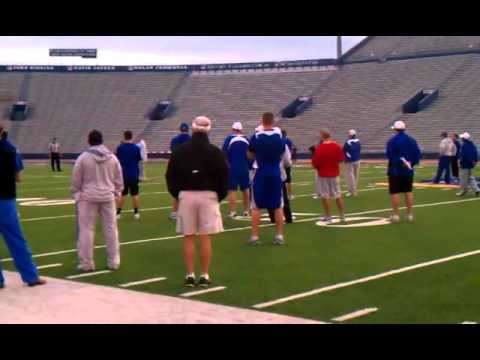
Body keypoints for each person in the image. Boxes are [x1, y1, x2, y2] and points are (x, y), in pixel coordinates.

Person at [166, 116, 228, 287]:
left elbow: (170, 175)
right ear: (209, 129)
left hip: (186, 195)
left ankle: (190, 274)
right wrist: (219, 195)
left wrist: (177, 194)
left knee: (189, 237)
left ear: (193, 129)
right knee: (205, 237)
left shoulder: (180, 151)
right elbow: (224, 176)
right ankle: (205, 274)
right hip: (208, 195)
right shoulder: (215, 152)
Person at [0, 122, 46, 288]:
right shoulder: (12, 150)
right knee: (17, 240)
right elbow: (18, 177)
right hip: (6, 200)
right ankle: (31, 276)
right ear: (3, 131)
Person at [71, 130, 124, 271]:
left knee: (86, 230)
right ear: (102, 140)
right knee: (111, 229)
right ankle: (113, 262)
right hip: (107, 196)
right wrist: (116, 191)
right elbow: (119, 180)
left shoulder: (83, 158)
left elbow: (76, 180)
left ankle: (87, 263)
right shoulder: (112, 158)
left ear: (89, 141)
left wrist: (77, 194)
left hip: (88, 197)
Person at [248, 112, 286, 245]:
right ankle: (279, 236)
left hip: (260, 173)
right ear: (273, 121)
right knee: (278, 205)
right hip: (275, 172)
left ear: (262, 121)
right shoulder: (279, 137)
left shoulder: (256, 136)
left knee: (256, 206)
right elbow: (282, 152)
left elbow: (250, 155)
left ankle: (254, 237)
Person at [386, 120, 421, 222]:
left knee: (395, 192)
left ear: (396, 130)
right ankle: (409, 215)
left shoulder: (392, 141)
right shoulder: (412, 140)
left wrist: (399, 162)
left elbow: (390, 156)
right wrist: (411, 163)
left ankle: (396, 215)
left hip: (395, 171)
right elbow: (417, 155)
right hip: (408, 171)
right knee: (408, 192)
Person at [312, 129, 346, 223]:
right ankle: (342, 215)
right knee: (338, 194)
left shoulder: (320, 148)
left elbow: (315, 163)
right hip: (334, 173)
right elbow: (341, 159)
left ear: (322, 137)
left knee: (325, 195)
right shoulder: (337, 146)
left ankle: (328, 216)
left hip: (323, 174)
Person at [222, 122, 250, 219]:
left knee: (232, 190)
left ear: (233, 129)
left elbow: (224, 153)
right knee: (246, 189)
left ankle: (233, 211)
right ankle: (246, 211)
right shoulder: (246, 139)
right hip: (244, 167)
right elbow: (250, 154)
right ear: (241, 129)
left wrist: (227, 165)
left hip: (233, 167)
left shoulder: (229, 139)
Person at [116, 131, 142, 220]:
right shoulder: (136, 148)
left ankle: (118, 213)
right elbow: (138, 159)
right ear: (132, 137)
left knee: (122, 194)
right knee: (135, 194)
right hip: (133, 174)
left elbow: (117, 160)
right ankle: (136, 212)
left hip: (123, 174)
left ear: (124, 137)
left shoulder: (120, 148)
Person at [169, 123, 192, 220]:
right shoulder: (192, 140)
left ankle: (175, 212)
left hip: (177, 167)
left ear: (180, 129)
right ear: (188, 130)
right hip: (189, 167)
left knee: (178, 191)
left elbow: (173, 152)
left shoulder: (174, 140)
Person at [267, 141, 293, 224]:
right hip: (279, 173)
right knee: (283, 197)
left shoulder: (260, 143)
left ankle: (273, 218)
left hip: (266, 174)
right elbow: (288, 162)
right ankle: (288, 217)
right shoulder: (282, 144)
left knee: (269, 197)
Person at [456, 132, 480, 197]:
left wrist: (460, 162)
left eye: (462, 138)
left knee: (463, 178)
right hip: (471, 165)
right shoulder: (472, 145)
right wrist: (475, 161)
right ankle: (476, 189)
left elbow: (463, 156)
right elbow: (476, 154)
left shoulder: (463, 145)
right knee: (471, 177)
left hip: (465, 164)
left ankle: (464, 190)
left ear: (464, 138)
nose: (461, 139)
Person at [343, 129, 361, 197]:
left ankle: (352, 191)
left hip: (350, 161)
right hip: (357, 160)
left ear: (350, 135)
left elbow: (344, 151)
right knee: (355, 176)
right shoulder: (358, 141)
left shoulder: (348, 142)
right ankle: (354, 190)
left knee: (350, 177)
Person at [282, 129, 295, 200]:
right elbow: (291, 150)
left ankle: (284, 194)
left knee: (282, 179)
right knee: (288, 179)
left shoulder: (281, 140)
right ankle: (290, 195)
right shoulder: (288, 140)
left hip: (281, 162)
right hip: (287, 161)